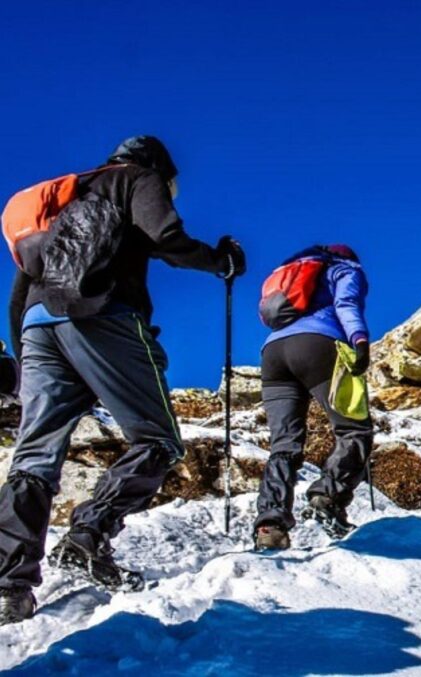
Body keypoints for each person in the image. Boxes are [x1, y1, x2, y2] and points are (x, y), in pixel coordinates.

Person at [0, 136, 245, 625]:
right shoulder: (136, 178)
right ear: (160, 167)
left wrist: (24, 355)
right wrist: (222, 262)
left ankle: (9, 587)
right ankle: (87, 538)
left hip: (37, 325)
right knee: (158, 439)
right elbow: (165, 237)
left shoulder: (66, 194)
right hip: (103, 316)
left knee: (35, 455)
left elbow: (24, 283)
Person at [253, 244, 372, 551]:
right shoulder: (343, 268)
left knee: (284, 445)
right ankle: (327, 499)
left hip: (272, 354)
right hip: (318, 345)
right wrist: (358, 338)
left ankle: (271, 524)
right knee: (354, 428)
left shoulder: (288, 274)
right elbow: (346, 302)